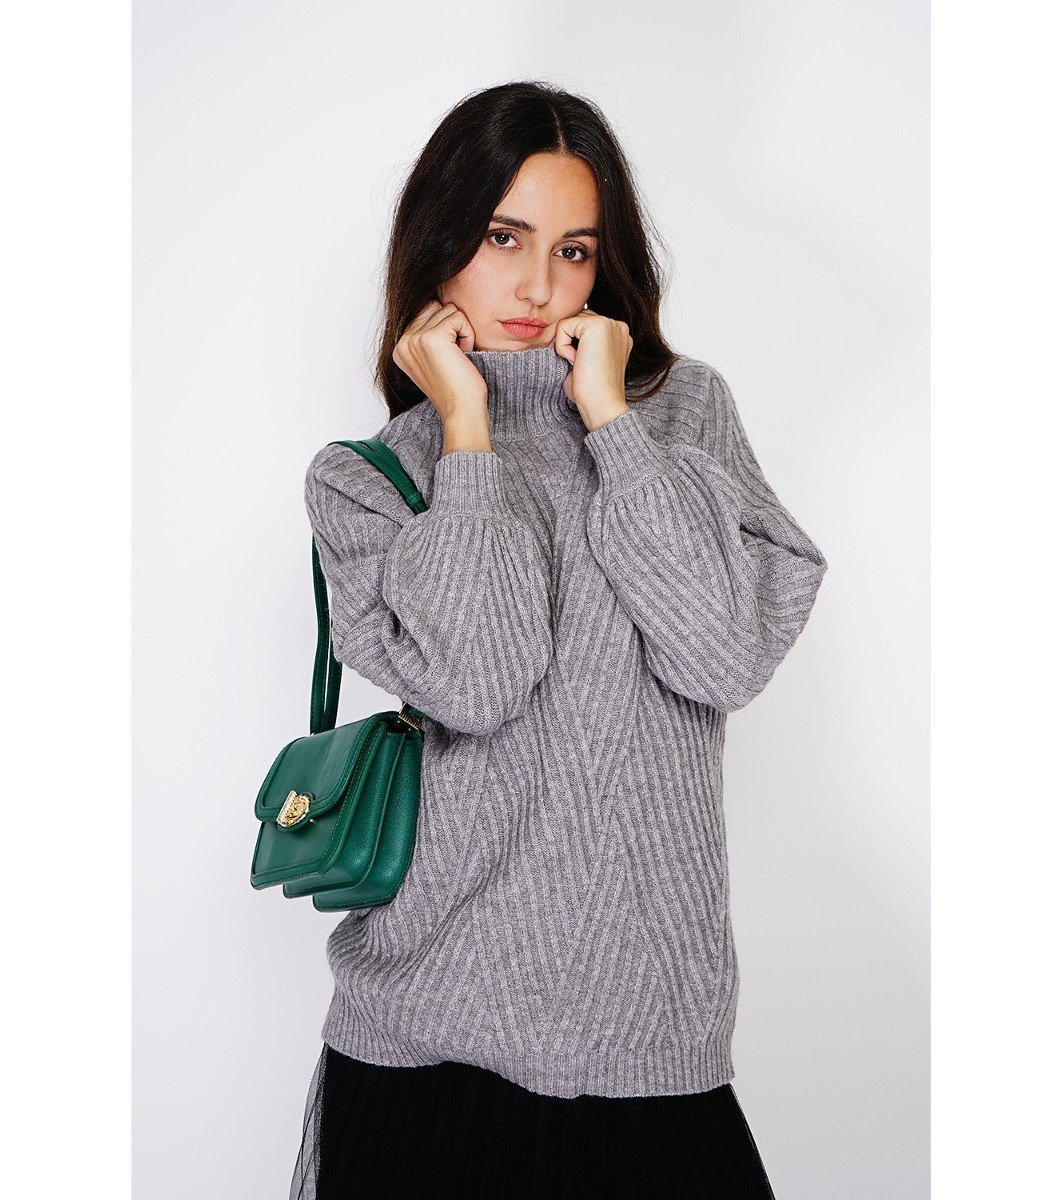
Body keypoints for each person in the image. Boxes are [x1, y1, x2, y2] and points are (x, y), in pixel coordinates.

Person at [288, 80, 828, 1199]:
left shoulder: (682, 413)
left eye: (574, 251)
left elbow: (725, 654)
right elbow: (479, 681)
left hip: (651, 1035)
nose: (538, 286)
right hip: (427, 1038)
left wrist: (613, 425)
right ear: (440, 244)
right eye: (503, 238)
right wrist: (468, 433)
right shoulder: (371, 480)